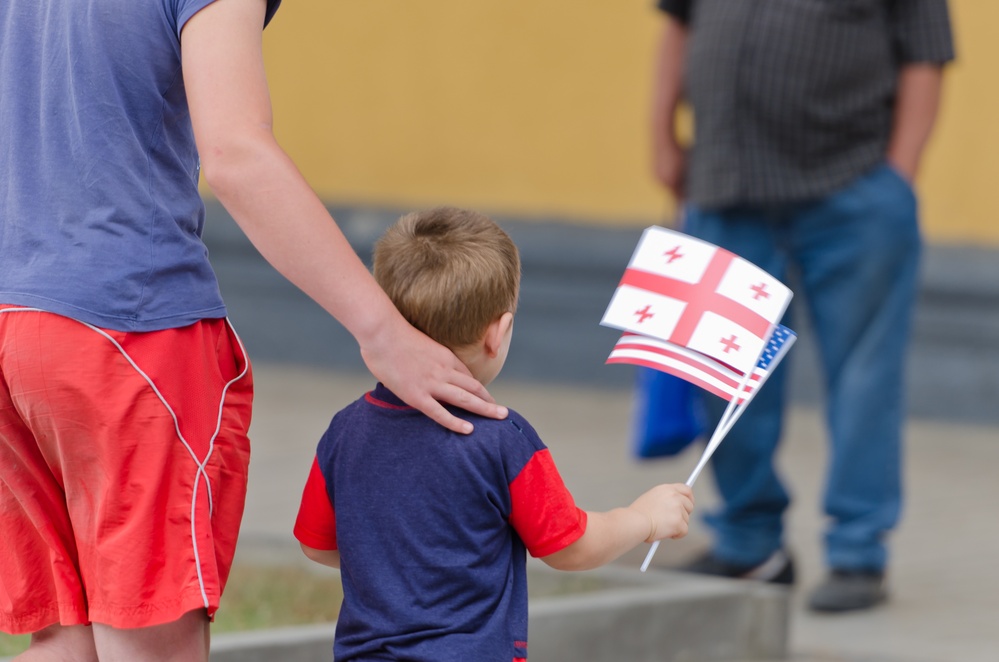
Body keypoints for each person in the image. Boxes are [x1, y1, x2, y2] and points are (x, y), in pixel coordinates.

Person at [0, 1, 508, 660]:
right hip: (129, 335)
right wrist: (382, 330)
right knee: (149, 642)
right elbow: (235, 152)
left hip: (13, 321)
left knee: (65, 640)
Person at [649, 0, 955, 612]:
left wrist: (899, 176)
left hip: (852, 191)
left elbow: (926, 54)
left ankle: (858, 552)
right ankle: (750, 546)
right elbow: (681, 23)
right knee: (722, 372)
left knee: (865, 376)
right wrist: (662, 135)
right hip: (725, 183)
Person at [293, 207, 695, 661]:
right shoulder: (503, 440)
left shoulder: (345, 431)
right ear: (498, 334)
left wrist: (398, 564)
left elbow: (317, 544)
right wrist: (643, 518)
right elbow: (570, 547)